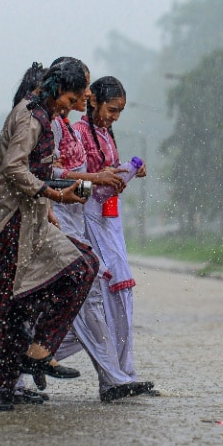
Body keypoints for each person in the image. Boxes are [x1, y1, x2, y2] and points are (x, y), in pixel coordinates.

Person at [0, 59, 99, 412]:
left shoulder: (46, 116)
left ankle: (33, 355)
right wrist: (54, 195)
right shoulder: (31, 117)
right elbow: (12, 168)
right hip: (10, 223)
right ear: (57, 89)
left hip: (33, 219)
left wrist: (49, 205)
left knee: (81, 266)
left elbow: (38, 168)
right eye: (73, 97)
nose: (76, 104)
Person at [50, 75, 155, 402]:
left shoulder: (91, 131)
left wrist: (123, 172)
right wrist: (98, 181)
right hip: (81, 221)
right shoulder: (69, 130)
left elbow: (89, 180)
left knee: (112, 304)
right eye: (111, 109)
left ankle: (121, 375)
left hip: (105, 220)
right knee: (98, 304)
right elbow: (54, 179)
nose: (114, 117)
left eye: (119, 112)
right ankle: (23, 363)